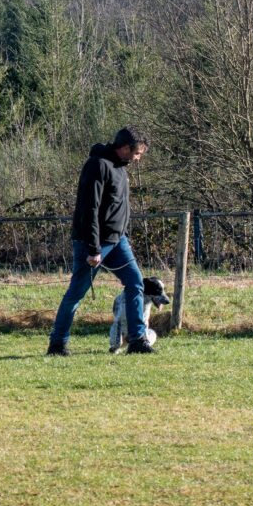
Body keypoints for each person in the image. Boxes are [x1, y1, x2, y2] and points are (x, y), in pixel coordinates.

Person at [47, 126, 152, 356]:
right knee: (76, 293)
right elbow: (89, 209)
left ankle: (137, 340)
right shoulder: (97, 166)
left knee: (135, 282)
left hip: (118, 242)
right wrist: (93, 249)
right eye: (137, 153)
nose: (138, 158)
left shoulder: (121, 169)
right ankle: (57, 343)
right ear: (125, 148)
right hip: (94, 243)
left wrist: (123, 235)